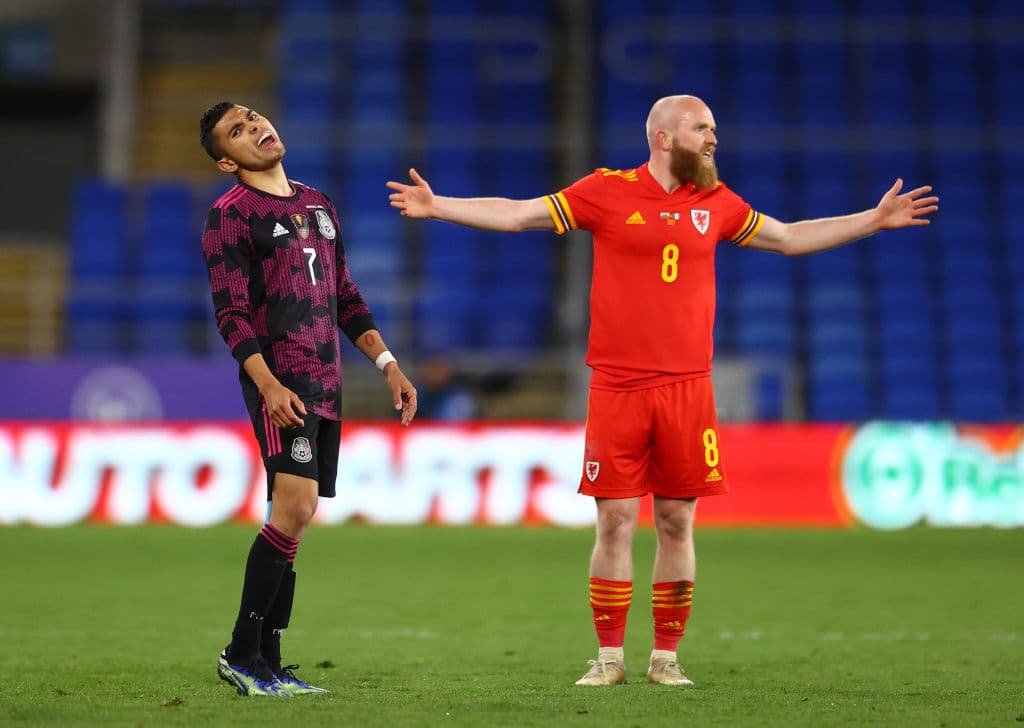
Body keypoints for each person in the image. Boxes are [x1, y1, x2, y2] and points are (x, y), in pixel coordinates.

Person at [387, 94, 938, 687]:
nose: (713, 138)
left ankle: (666, 659)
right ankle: (609, 659)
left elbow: (787, 237)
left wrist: (872, 219)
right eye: (702, 128)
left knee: (677, 520)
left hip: (687, 389)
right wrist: (438, 206)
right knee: (615, 520)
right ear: (663, 137)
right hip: (618, 386)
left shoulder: (716, 202)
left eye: (714, 128)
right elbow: (520, 215)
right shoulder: (606, 190)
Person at [200, 101, 418, 697]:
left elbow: (344, 294)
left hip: (327, 382)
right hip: (280, 385)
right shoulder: (230, 214)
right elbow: (231, 312)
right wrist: (268, 384)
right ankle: (241, 654)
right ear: (226, 161)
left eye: (253, 117)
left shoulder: (317, 204)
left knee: (296, 515)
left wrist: (388, 364)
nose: (256, 128)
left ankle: (269, 661)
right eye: (237, 132)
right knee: (294, 508)